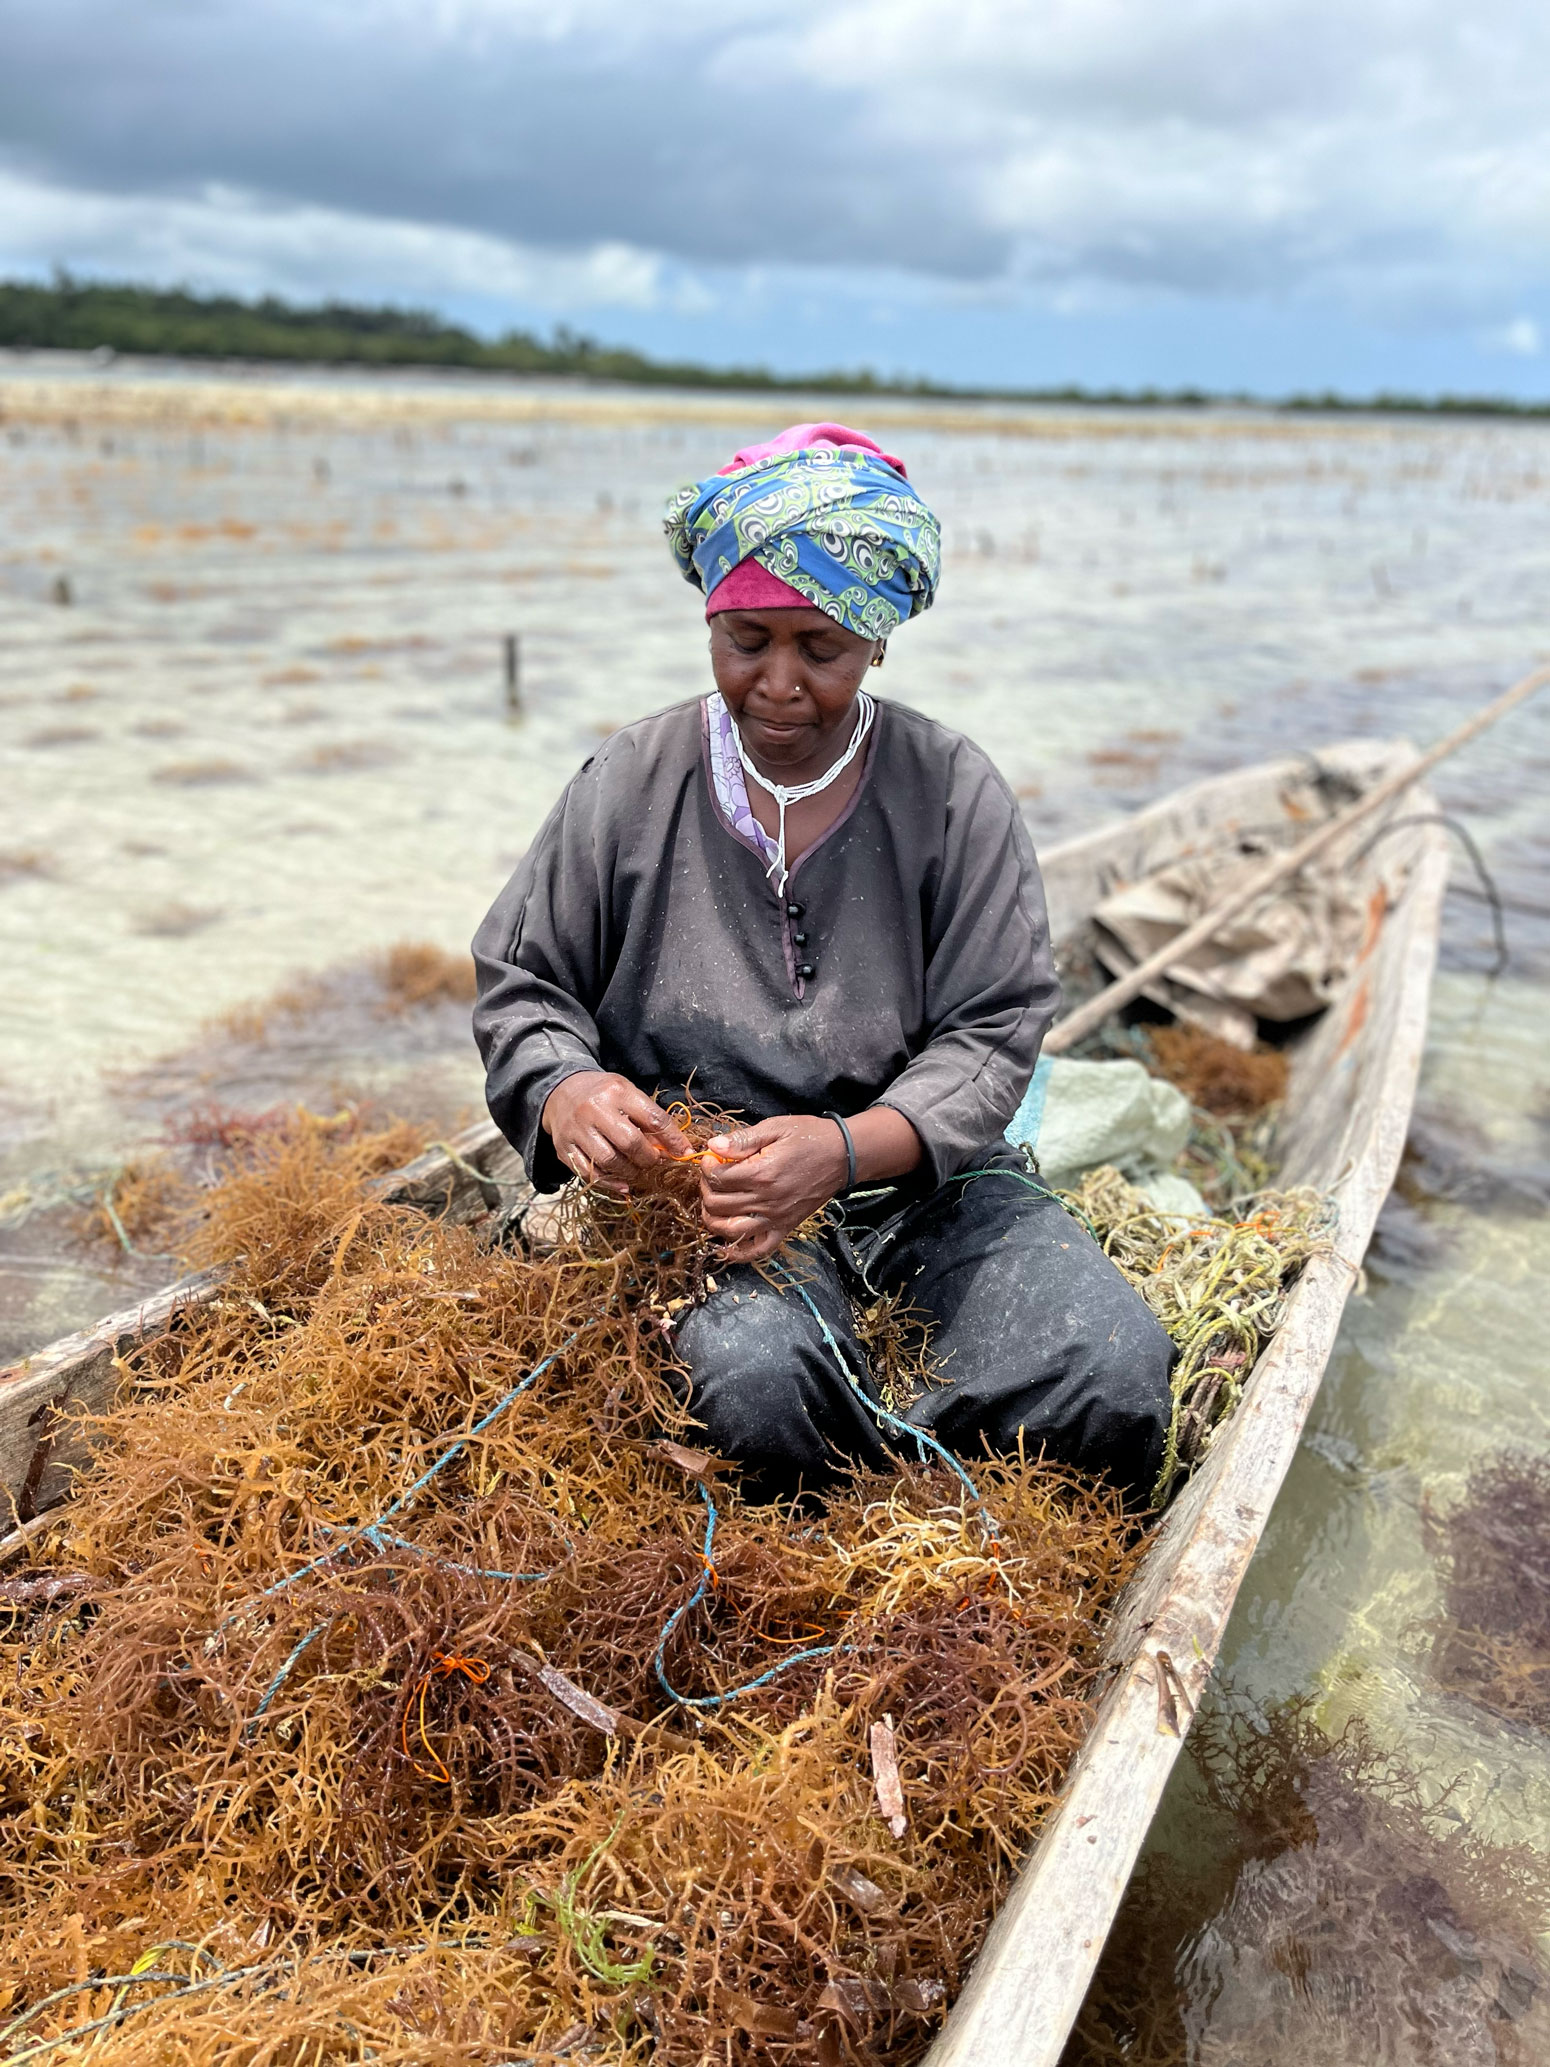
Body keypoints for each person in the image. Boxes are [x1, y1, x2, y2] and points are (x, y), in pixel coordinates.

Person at [473, 423, 1173, 1503]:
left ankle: (910, 1480)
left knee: (1109, 1371)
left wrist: (844, 1152)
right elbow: (524, 984)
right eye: (746, 641)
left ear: (878, 642)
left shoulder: (951, 793)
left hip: (920, 1189)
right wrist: (570, 1091)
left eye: (823, 648)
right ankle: (843, 1465)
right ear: (708, 620)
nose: (780, 683)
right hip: (704, 1196)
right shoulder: (628, 781)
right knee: (756, 1385)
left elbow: (993, 1032)